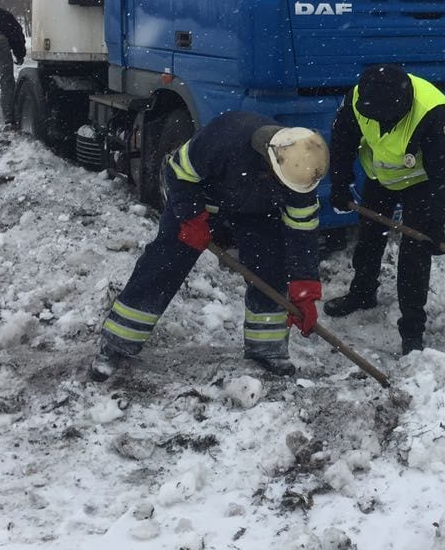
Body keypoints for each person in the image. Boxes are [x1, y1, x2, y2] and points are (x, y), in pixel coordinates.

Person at [91, 112, 329, 381]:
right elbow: (177, 171)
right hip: (201, 203)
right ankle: (118, 343)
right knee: (162, 265)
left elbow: (302, 232)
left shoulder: (300, 173)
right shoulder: (224, 138)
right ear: (271, 162)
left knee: (271, 267)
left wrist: (305, 287)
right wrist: (192, 218)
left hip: (257, 213)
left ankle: (267, 348)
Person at [323, 64, 445, 355]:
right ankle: (362, 294)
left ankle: (412, 328)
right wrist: (339, 183)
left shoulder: (429, 110)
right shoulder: (358, 99)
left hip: (420, 183)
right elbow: (342, 141)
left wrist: (436, 224)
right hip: (380, 177)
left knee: (415, 252)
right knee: (369, 238)